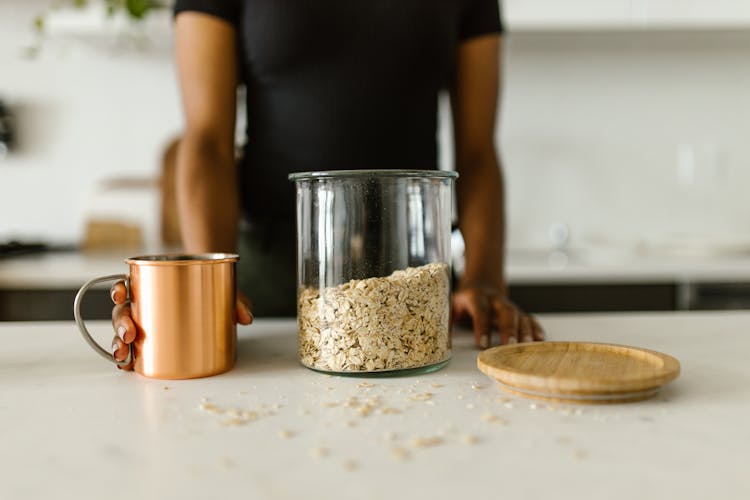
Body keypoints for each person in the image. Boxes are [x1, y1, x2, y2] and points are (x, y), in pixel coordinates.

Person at [111, 0, 544, 370]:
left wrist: (484, 280)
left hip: (412, 276)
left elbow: (477, 152)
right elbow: (206, 140)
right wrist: (204, 284)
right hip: (269, 269)